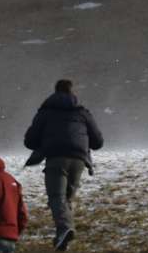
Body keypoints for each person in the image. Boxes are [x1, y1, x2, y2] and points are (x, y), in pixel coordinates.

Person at [22, 78, 103, 251]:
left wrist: (45, 140)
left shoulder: (46, 112)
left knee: (57, 197)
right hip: (79, 160)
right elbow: (98, 142)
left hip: (56, 158)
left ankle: (65, 229)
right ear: (72, 92)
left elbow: (29, 141)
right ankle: (63, 238)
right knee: (66, 199)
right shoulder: (82, 112)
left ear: (55, 91)